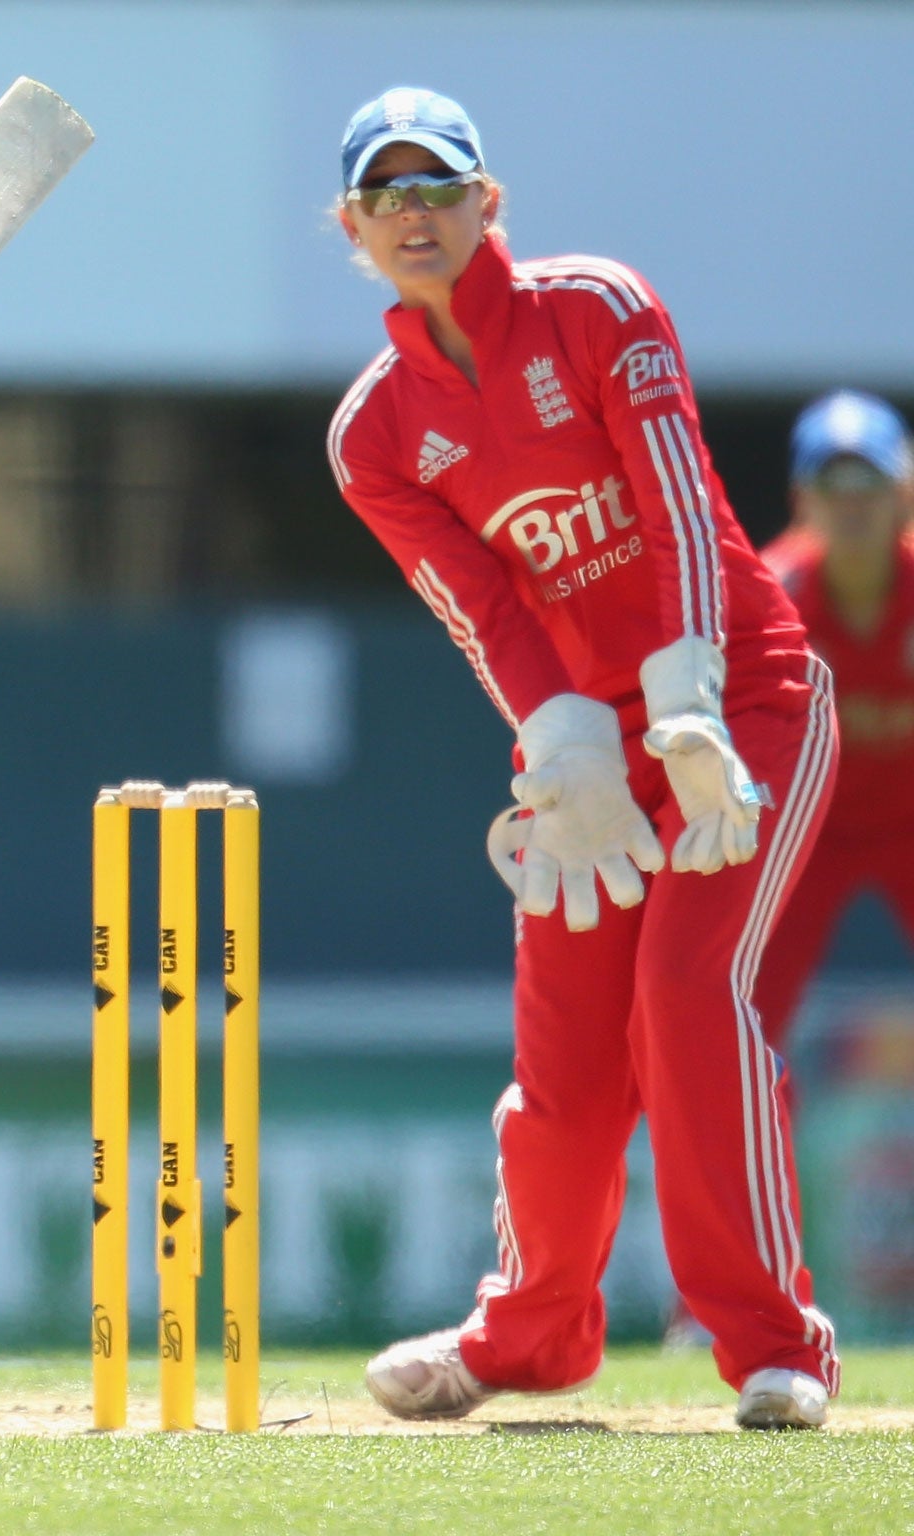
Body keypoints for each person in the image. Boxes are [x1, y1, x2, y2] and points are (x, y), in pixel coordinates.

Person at [324, 88, 840, 1429]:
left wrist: (687, 702)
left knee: (684, 994)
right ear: (354, 229)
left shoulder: (596, 306)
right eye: (388, 198)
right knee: (566, 1045)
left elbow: (673, 502)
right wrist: (566, 751)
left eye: (440, 188)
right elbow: (484, 608)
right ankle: (530, 1334)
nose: (417, 216)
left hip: (748, 700)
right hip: (594, 751)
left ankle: (777, 1344)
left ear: (489, 203)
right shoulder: (374, 435)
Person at [753, 393, 914, 1047]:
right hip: (806, 835)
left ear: (902, 493)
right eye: (832, 482)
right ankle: (757, 1151)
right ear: (801, 499)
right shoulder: (769, 599)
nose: (852, 504)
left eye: (868, 481)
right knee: (747, 1021)